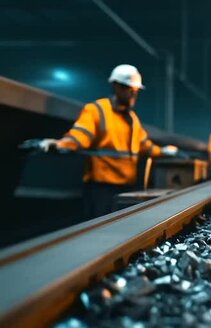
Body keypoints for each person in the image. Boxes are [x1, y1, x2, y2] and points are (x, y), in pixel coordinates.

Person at [34, 64, 178, 218]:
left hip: (126, 188)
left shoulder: (132, 119)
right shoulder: (96, 110)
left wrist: (163, 151)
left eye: (135, 91)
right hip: (101, 189)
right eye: (128, 89)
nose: (132, 94)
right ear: (115, 87)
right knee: (99, 229)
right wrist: (58, 144)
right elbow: (79, 137)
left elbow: (144, 146)